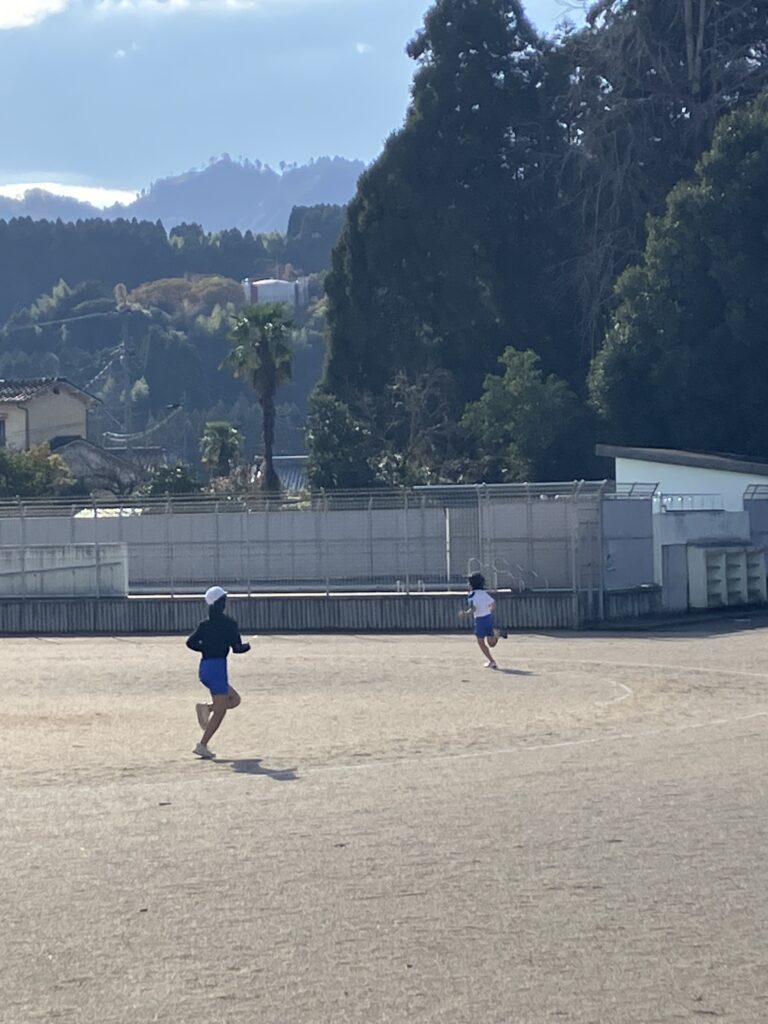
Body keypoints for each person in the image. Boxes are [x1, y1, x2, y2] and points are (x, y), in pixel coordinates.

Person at [186, 585, 250, 759]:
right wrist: (247, 647)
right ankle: (202, 745)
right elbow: (237, 648)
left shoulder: (204, 625)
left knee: (234, 700)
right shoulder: (230, 624)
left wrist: (205, 647)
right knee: (221, 710)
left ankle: (206, 708)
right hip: (218, 668)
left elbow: (190, 643)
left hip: (205, 667)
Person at [459, 572, 507, 669]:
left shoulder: (471, 595)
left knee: (481, 642)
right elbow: (493, 603)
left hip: (479, 620)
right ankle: (496, 634)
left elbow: (473, 609)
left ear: (472, 584)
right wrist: (490, 610)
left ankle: (492, 661)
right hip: (488, 618)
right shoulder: (484, 594)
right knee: (491, 643)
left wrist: (466, 613)